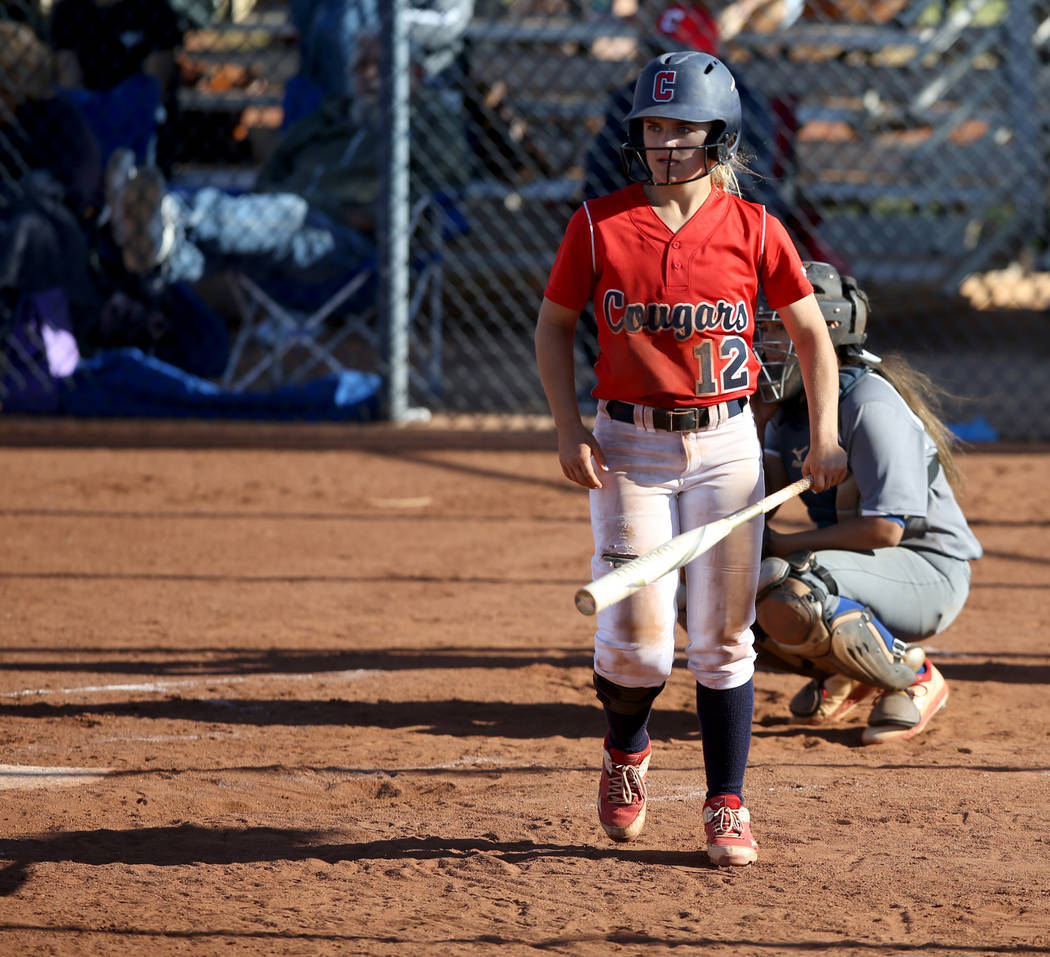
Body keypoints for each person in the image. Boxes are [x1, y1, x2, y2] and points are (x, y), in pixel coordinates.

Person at [534, 49, 847, 866]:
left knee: (722, 635)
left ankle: (726, 803)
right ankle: (627, 745)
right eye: (655, 127)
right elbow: (555, 325)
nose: (667, 142)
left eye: (685, 128)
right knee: (637, 640)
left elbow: (812, 334)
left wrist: (825, 436)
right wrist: (570, 428)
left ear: (722, 135)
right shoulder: (599, 223)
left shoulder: (753, 226)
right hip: (631, 443)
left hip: (724, 444)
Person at [751, 261, 982, 743]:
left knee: (792, 585)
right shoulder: (787, 408)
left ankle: (912, 674)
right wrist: (757, 419)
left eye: (781, 330)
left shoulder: (869, 403)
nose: (767, 345)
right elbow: (759, 504)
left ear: (827, 329)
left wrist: (785, 545)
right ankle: (851, 669)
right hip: (857, 563)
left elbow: (885, 531)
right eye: (765, 329)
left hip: (927, 570)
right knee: (715, 587)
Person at [49, 0, 184, 169]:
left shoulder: (155, 9)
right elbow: (68, 83)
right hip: (88, 118)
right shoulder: (68, 9)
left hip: (137, 120)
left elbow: (156, 87)